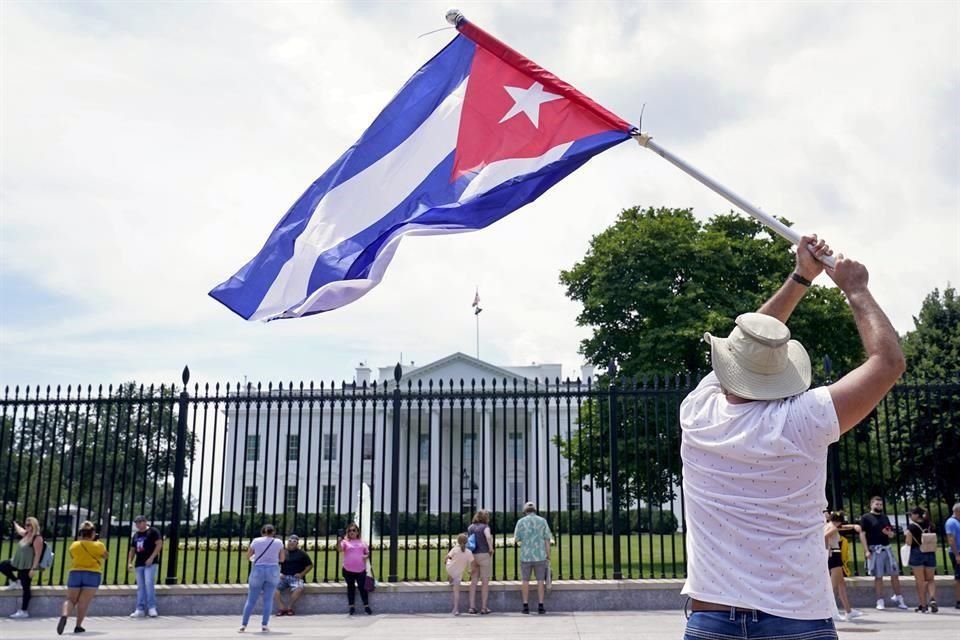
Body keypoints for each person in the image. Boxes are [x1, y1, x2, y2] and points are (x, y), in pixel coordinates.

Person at [679, 236, 906, 640]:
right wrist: (856, 289)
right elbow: (888, 363)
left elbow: (747, 345)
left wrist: (801, 277)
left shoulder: (697, 413)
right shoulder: (805, 418)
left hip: (711, 616)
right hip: (798, 617)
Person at [57, 521, 107, 635]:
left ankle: (65, 615)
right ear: (93, 533)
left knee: (70, 599)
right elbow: (105, 556)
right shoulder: (99, 545)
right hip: (93, 574)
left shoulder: (74, 545)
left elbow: (72, 555)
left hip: (75, 573)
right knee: (83, 601)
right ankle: (78, 626)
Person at [859, 496, 908, 609]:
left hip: (887, 548)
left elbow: (891, 533)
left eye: (880, 504)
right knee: (878, 576)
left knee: (895, 574)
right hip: (875, 549)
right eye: (877, 504)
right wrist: (866, 550)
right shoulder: (866, 518)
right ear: (871, 504)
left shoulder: (884, 517)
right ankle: (880, 600)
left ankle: (899, 597)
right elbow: (862, 534)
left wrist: (889, 534)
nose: (879, 506)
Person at [240, 523, 285, 633]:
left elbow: (248, 556)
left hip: (258, 570)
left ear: (262, 532)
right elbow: (282, 559)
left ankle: (244, 625)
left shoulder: (256, 541)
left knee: (251, 600)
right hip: (273, 570)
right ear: (273, 532)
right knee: (268, 600)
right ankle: (264, 625)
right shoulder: (278, 542)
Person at [513, 501, 552, 615]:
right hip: (540, 555)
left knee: (525, 580)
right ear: (535, 510)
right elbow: (547, 539)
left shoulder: (521, 522)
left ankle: (525, 606)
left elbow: (516, 539)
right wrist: (548, 555)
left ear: (525, 511)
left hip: (526, 555)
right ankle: (541, 605)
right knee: (540, 581)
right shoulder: (542, 521)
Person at [0, 516, 43, 619]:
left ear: (34, 526)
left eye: (29, 525)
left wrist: (33, 569)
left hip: (27, 566)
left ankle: (24, 611)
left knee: (26, 588)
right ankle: (15, 581)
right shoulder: (26, 534)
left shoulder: (37, 538)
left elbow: (38, 555)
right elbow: (19, 530)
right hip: (17, 562)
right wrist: (14, 523)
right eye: (26, 525)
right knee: (3, 566)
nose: (26, 526)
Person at [824, 512, 863, 621]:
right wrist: (827, 549)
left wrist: (853, 526)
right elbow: (825, 536)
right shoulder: (833, 528)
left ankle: (848, 611)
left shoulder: (828, 525)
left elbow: (842, 527)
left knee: (841, 585)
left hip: (834, 556)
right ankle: (830, 612)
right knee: (833, 587)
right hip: (835, 555)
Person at [127, 515, 163, 618]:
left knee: (149, 583)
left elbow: (159, 544)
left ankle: (152, 607)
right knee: (140, 586)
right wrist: (130, 562)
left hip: (150, 562)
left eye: (140, 522)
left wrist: (152, 558)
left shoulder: (153, 531)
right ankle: (140, 609)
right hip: (139, 562)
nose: (138, 524)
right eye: (136, 523)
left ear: (145, 522)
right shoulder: (136, 535)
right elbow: (133, 549)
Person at [905, 506, 937, 613]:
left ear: (916, 515)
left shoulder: (912, 527)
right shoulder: (930, 524)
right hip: (930, 552)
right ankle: (932, 598)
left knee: (920, 581)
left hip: (917, 552)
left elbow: (908, 542)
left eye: (911, 514)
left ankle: (923, 605)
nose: (910, 516)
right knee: (930, 579)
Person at [337, 522, 371, 615]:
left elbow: (367, 553)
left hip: (360, 569)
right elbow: (339, 549)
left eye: (354, 530)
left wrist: (366, 556)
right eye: (350, 530)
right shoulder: (345, 542)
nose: (352, 532)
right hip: (348, 569)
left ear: (357, 532)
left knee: (362, 588)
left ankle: (366, 606)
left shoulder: (362, 542)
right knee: (350, 587)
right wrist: (339, 540)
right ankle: (351, 606)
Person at [274, 534, 312, 616]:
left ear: (297, 543)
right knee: (272, 588)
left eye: (294, 541)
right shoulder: (282, 552)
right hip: (283, 577)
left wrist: (302, 574)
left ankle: (289, 607)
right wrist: (279, 573)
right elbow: (275, 564)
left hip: (295, 577)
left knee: (299, 588)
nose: (291, 543)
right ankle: (281, 607)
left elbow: (310, 565)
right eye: (290, 541)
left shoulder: (302, 553)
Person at [467, 509, 494, 615]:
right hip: (484, 555)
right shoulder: (485, 527)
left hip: (473, 555)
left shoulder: (471, 527)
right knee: (485, 582)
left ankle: (472, 606)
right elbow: (488, 536)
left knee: (473, 582)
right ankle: (484, 607)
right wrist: (491, 548)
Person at [445, 533, 474, 615]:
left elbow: (446, 558)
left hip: (450, 569)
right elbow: (470, 565)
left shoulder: (454, 549)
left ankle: (450, 577)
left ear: (457, 541)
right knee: (456, 591)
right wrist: (469, 571)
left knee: (449, 565)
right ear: (467, 542)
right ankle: (456, 609)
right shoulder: (469, 552)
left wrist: (447, 560)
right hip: (458, 573)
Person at [946, 503, 960, 609]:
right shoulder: (951, 522)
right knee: (959, 577)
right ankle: (959, 601)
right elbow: (951, 539)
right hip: (957, 552)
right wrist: (957, 555)